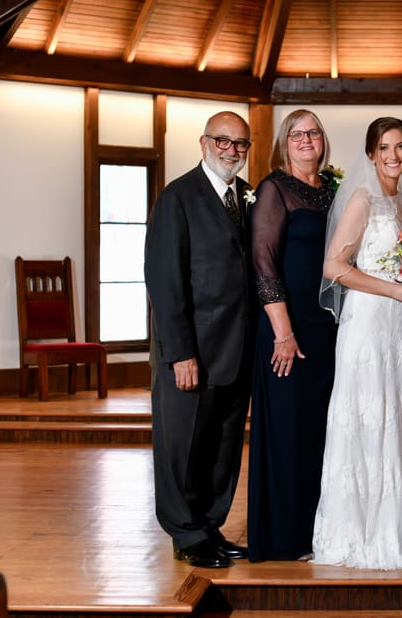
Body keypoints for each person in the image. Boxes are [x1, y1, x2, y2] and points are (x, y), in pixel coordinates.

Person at [312, 117, 402, 569]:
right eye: (385, 148)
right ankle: (360, 528)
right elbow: (333, 266)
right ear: (371, 153)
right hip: (367, 322)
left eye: (401, 147)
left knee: (398, 413)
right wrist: (395, 289)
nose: (394, 156)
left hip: (399, 326)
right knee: (368, 415)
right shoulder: (362, 199)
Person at [144, 111, 256, 569]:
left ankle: (210, 527)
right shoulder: (177, 197)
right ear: (204, 142)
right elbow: (164, 281)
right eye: (223, 141)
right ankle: (186, 534)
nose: (232, 150)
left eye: (241, 144)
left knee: (223, 448)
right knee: (183, 448)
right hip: (193, 352)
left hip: (237, 349)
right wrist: (181, 353)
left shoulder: (247, 196)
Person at [246, 109, 339, 561]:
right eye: (297, 134)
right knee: (289, 433)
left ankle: (320, 530)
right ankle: (286, 537)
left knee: (323, 433)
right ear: (285, 142)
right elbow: (263, 263)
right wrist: (283, 333)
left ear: (323, 141)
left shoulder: (333, 191)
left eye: (313, 133)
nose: (306, 140)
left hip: (330, 332)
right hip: (289, 331)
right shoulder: (273, 188)